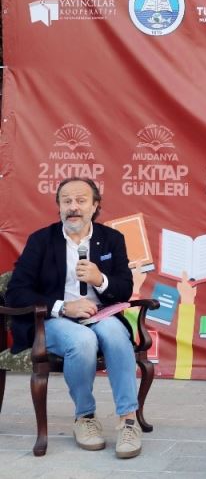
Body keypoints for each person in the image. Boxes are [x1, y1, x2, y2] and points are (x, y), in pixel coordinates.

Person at [6, 177, 143, 458]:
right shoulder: (41, 240)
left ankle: (128, 420)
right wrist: (62, 307)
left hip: (99, 314)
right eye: (66, 201)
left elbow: (124, 288)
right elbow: (16, 292)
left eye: (81, 200)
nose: (73, 207)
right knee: (82, 340)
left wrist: (100, 279)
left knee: (117, 335)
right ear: (58, 206)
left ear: (95, 206)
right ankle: (85, 417)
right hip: (54, 320)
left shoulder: (112, 239)